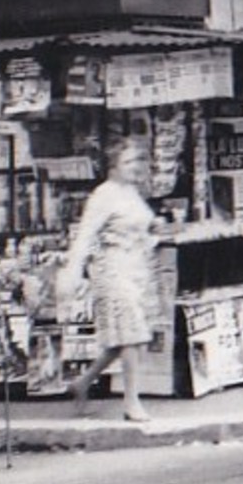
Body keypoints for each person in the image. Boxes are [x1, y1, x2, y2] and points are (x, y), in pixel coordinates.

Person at [58, 138, 162, 423]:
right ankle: (132, 403)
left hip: (136, 268)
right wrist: (72, 271)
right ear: (113, 166)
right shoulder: (103, 196)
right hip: (112, 270)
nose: (135, 167)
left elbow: (137, 226)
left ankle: (82, 383)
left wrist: (153, 229)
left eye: (138, 161)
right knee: (131, 335)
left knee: (126, 339)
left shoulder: (131, 192)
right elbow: (85, 236)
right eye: (128, 162)